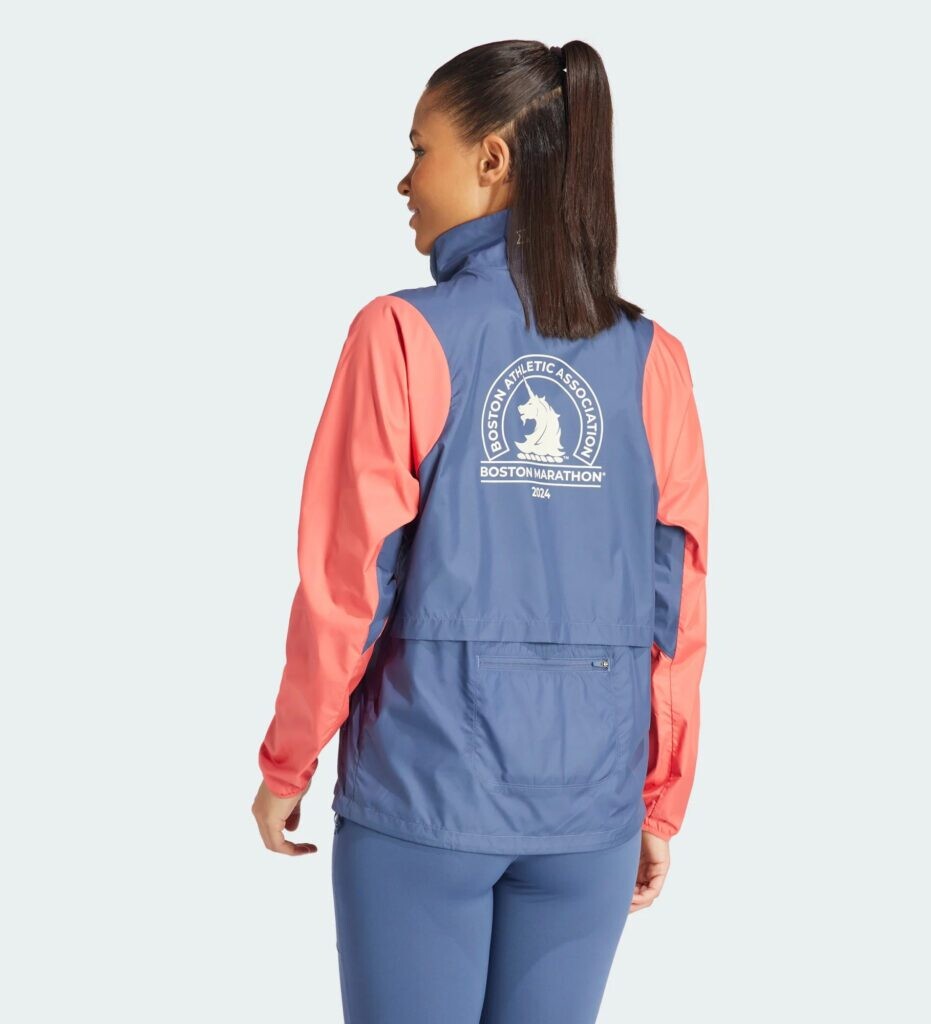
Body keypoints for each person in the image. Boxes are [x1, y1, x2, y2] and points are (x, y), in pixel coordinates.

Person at [251, 38, 710, 1024]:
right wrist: (659, 798)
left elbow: (347, 587)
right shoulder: (655, 360)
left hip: (425, 797)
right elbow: (677, 607)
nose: (405, 181)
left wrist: (287, 762)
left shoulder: (400, 333)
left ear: (492, 158)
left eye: (421, 150)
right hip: (589, 815)